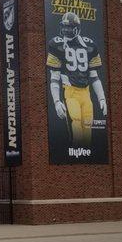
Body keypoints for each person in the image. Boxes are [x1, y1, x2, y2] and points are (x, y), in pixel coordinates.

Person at [46, 12, 107, 147]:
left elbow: (94, 76)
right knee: (76, 123)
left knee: (88, 125)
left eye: (69, 27)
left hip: (86, 93)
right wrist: (56, 101)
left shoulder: (90, 45)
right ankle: (77, 151)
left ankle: (85, 157)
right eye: (64, 27)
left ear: (77, 28)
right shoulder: (56, 44)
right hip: (70, 91)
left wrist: (101, 98)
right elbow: (54, 78)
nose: (65, 30)